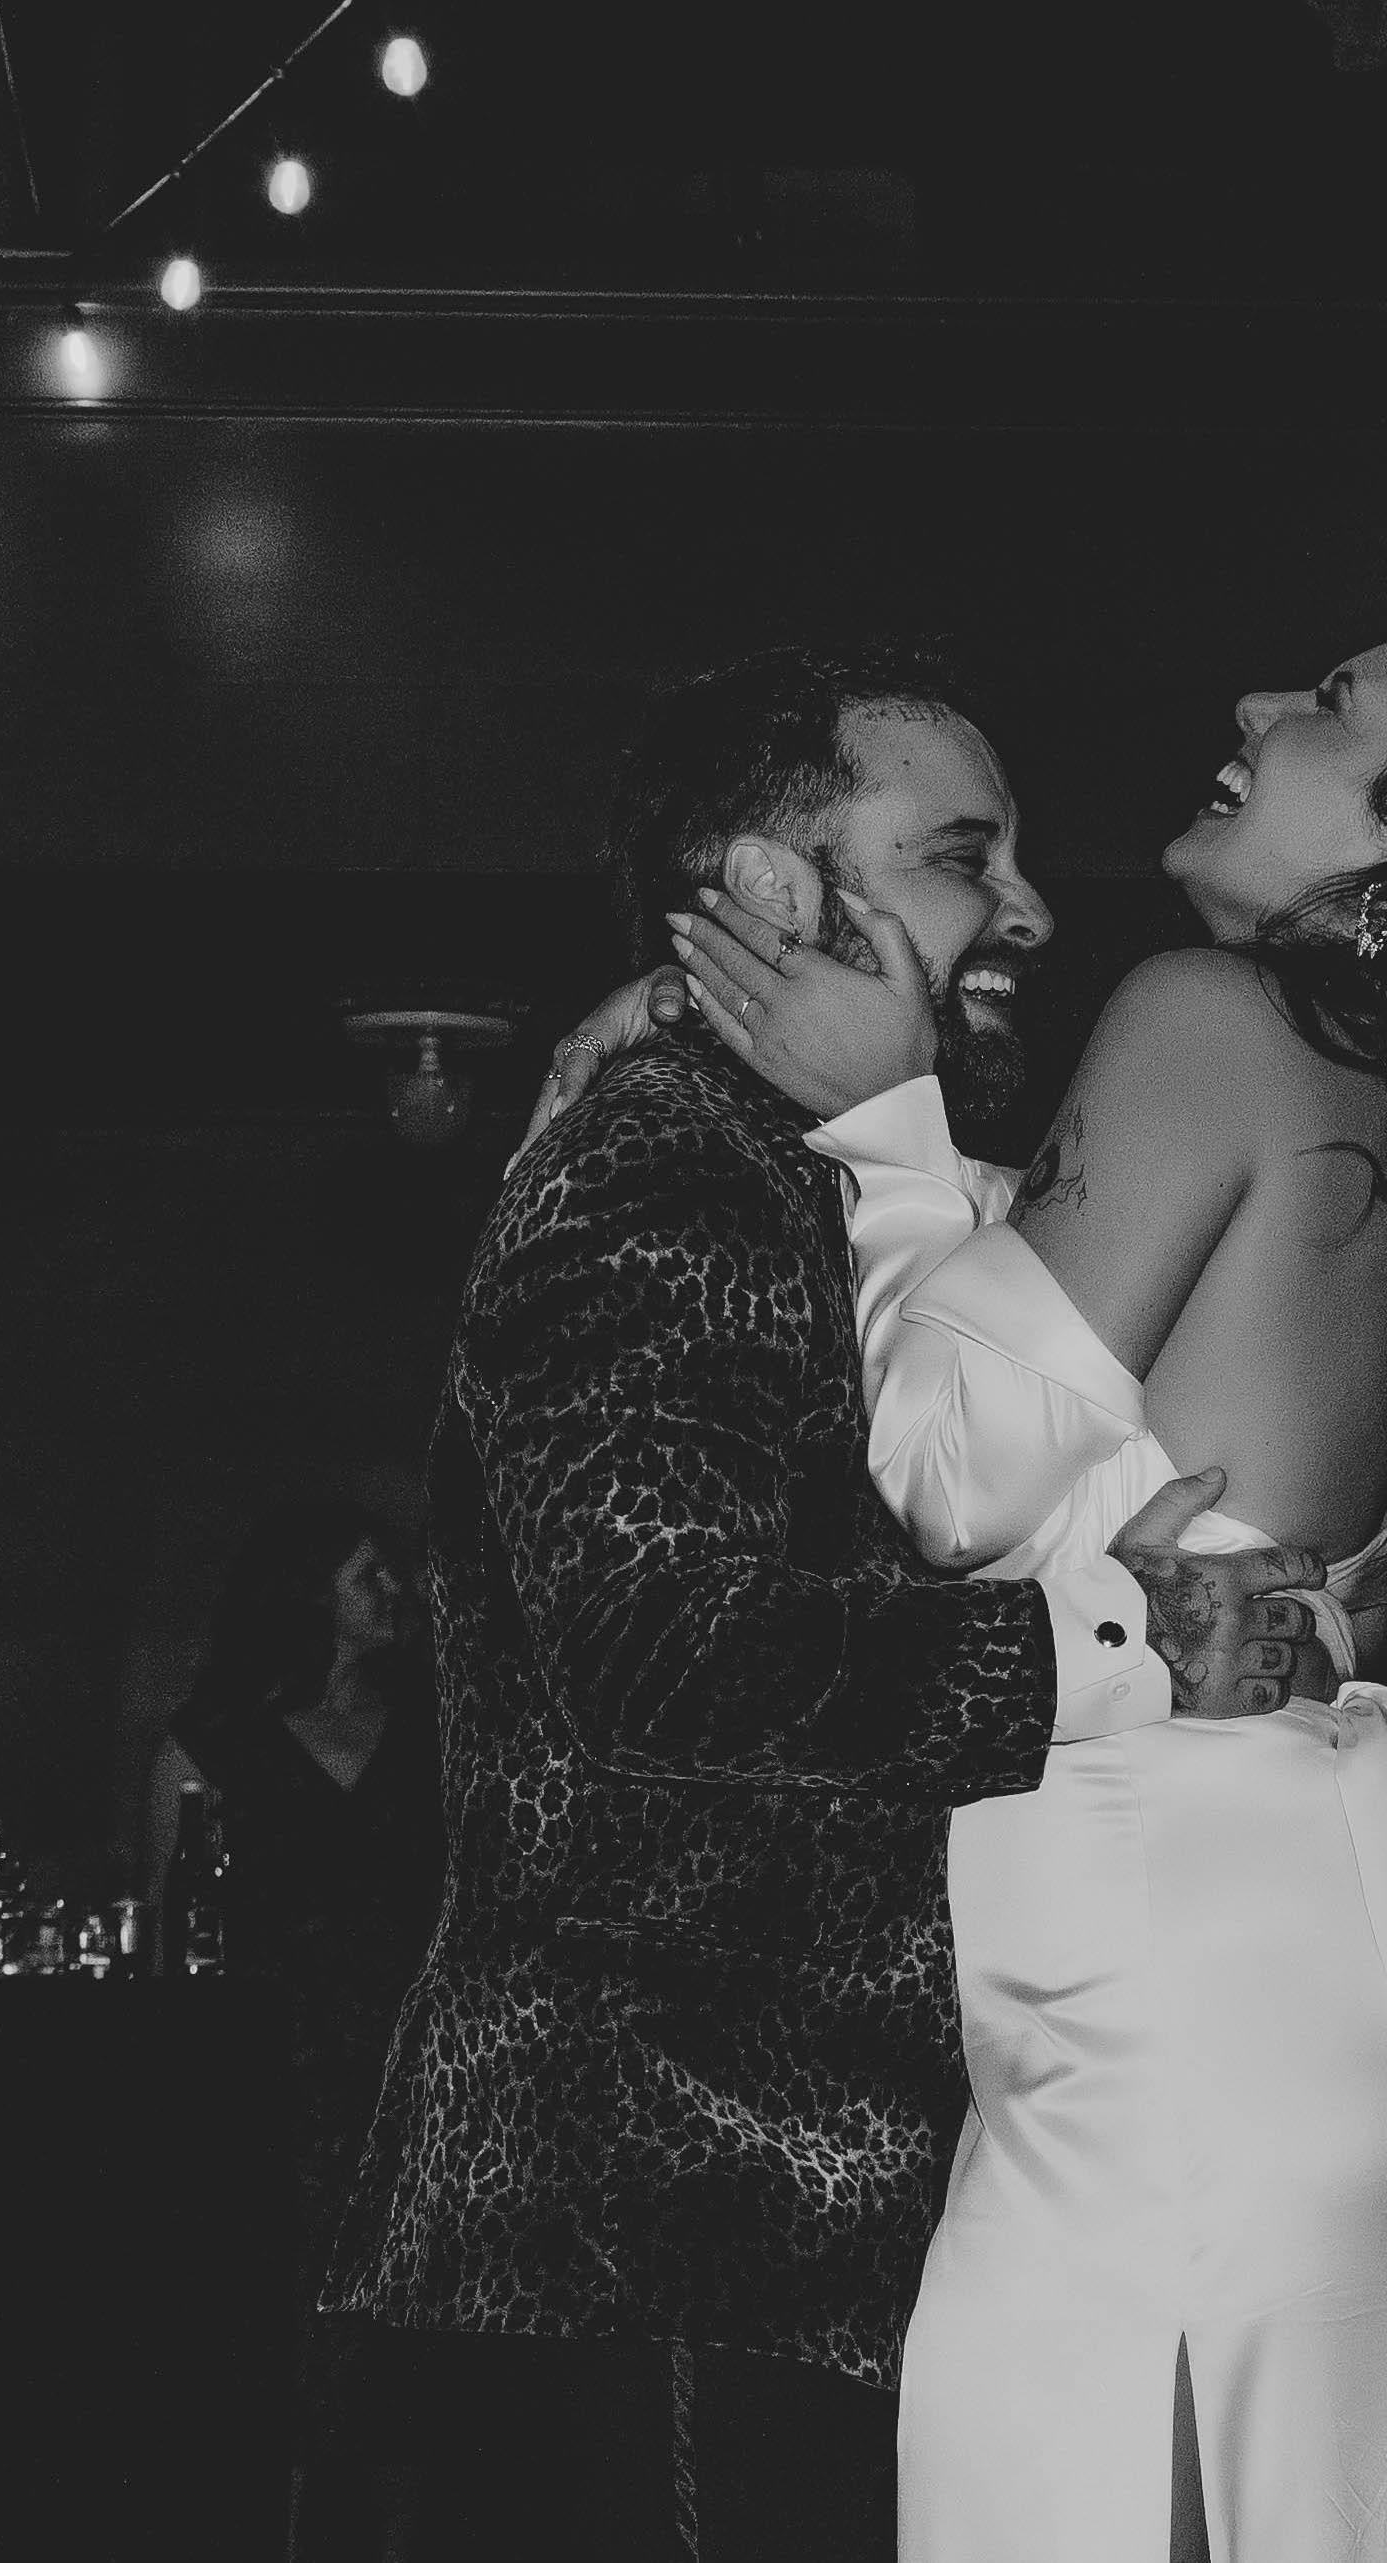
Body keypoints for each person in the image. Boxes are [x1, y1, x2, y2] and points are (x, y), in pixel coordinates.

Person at [631, 613, 1387, 2561]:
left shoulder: (1208, 1011)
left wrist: (879, 1118)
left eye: (1334, 708)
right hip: (1291, 1939)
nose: (1256, 707)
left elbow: (950, 1475)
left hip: (1161, 1965)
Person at [342, 640, 1315, 2560]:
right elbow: (660, 1647)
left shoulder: (810, 1169)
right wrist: (1116, 1645)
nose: (1029, 907)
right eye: (963, 856)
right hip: (656, 2210)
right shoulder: (665, 1167)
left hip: (765, 2220)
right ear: (778, 890)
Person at [162, 1501, 447, 2560]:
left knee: (408, 2360)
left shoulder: (431, 1728)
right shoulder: (214, 1745)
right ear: (307, 1592)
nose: (395, 1590)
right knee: (284, 2348)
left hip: (410, 2082)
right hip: (274, 2087)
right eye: (368, 1574)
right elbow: (173, 1933)